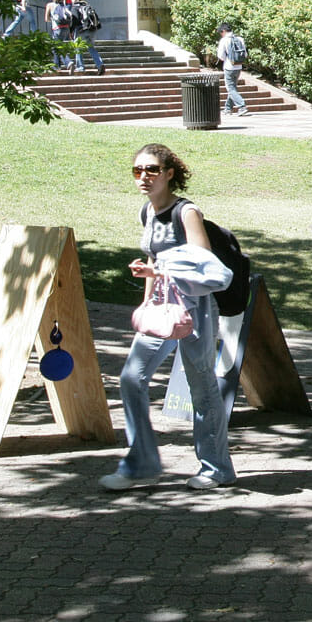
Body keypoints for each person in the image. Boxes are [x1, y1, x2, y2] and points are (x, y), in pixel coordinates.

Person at [101, 144, 237, 491]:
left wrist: (157, 271)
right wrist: (146, 298)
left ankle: (216, 468)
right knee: (131, 378)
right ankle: (141, 463)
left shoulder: (186, 212)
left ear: (169, 173)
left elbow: (202, 265)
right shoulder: (147, 212)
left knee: (202, 388)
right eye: (137, 171)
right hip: (160, 311)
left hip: (193, 310)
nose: (143, 177)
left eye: (151, 170)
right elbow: (152, 261)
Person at [54, 0, 104, 73]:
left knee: (78, 44)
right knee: (88, 45)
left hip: (78, 8)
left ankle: (80, 66)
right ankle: (99, 64)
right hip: (70, 7)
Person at [215, 22, 249, 116]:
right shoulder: (240, 39)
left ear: (224, 31)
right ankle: (228, 108)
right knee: (233, 88)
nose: (221, 34)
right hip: (238, 66)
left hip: (229, 67)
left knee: (230, 89)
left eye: (221, 32)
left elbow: (221, 56)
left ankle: (242, 106)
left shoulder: (224, 40)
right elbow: (245, 54)